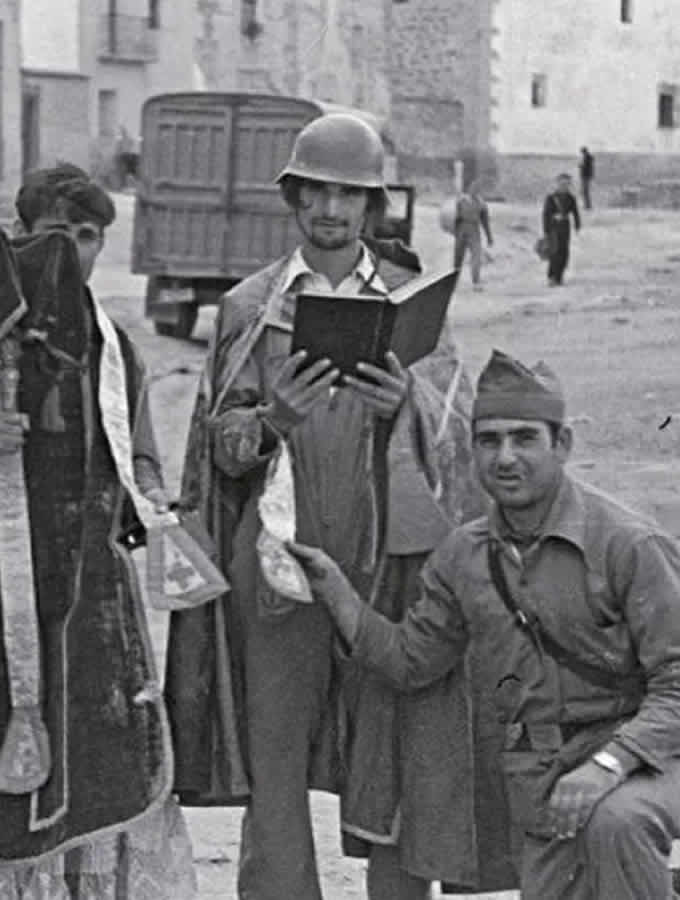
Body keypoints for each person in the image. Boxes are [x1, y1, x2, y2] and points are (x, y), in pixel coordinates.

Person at [163, 112, 513, 900]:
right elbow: (213, 451)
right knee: (275, 759)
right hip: (277, 563)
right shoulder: (249, 308)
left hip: (388, 561)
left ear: (372, 205)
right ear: (293, 197)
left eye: (347, 194)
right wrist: (271, 420)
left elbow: (459, 435)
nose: (329, 209)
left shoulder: (411, 304)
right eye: (314, 191)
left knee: (392, 749)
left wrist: (408, 404)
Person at [291, 350, 680, 900]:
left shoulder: (627, 544)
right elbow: (411, 661)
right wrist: (336, 591)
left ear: (562, 445)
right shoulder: (463, 555)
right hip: (544, 773)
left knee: (616, 823)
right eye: (489, 440)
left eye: (525, 439)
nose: (505, 458)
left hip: (650, 760)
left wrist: (609, 763)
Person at [0, 163, 197, 898]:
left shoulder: (115, 348)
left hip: (94, 603)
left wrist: (158, 504)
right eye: (56, 236)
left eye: (88, 237)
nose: (73, 253)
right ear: (20, 240)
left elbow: (138, 460)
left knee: (104, 772)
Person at [543, 173, 582, 286]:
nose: (564, 186)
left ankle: (559, 277)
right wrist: (546, 230)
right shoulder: (551, 198)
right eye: (562, 184)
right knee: (554, 252)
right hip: (553, 227)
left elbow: (575, 212)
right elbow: (546, 214)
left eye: (566, 184)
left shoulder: (571, 198)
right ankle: (551, 277)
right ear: (557, 184)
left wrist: (577, 225)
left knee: (564, 252)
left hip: (565, 227)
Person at [453, 182, 494, 288]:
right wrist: (455, 232)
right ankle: (452, 281)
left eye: (477, 189)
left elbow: (485, 221)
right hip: (461, 229)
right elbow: (455, 218)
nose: (474, 191)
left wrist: (489, 237)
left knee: (476, 256)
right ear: (469, 189)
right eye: (473, 188)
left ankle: (476, 281)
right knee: (458, 257)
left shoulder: (481, 204)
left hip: (474, 229)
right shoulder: (461, 201)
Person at [579, 146, 595, 211]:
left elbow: (585, 167)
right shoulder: (588, 158)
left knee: (584, 191)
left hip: (585, 176)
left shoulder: (586, 158)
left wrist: (581, 166)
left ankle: (587, 206)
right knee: (585, 191)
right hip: (587, 176)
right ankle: (587, 205)